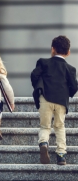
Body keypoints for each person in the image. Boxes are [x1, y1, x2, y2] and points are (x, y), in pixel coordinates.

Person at [31, 35, 78, 165]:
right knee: (59, 126)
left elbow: (34, 75)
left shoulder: (44, 62)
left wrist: (39, 87)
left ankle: (44, 143)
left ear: (53, 49)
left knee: (45, 126)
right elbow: (74, 86)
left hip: (45, 98)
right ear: (68, 52)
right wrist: (66, 92)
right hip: (61, 101)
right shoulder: (70, 69)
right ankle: (61, 155)